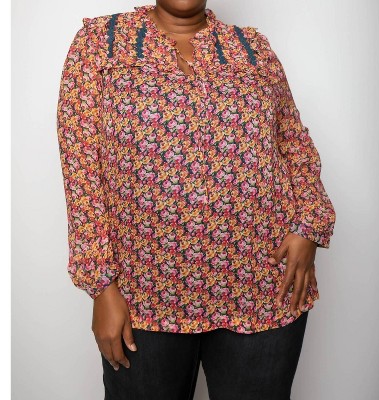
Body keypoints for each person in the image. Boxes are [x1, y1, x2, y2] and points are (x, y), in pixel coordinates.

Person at [56, 1, 336, 399]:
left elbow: (293, 142)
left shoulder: (252, 48)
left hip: (263, 285)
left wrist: (309, 226)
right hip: (144, 294)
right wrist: (101, 286)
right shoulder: (101, 43)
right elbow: (80, 166)